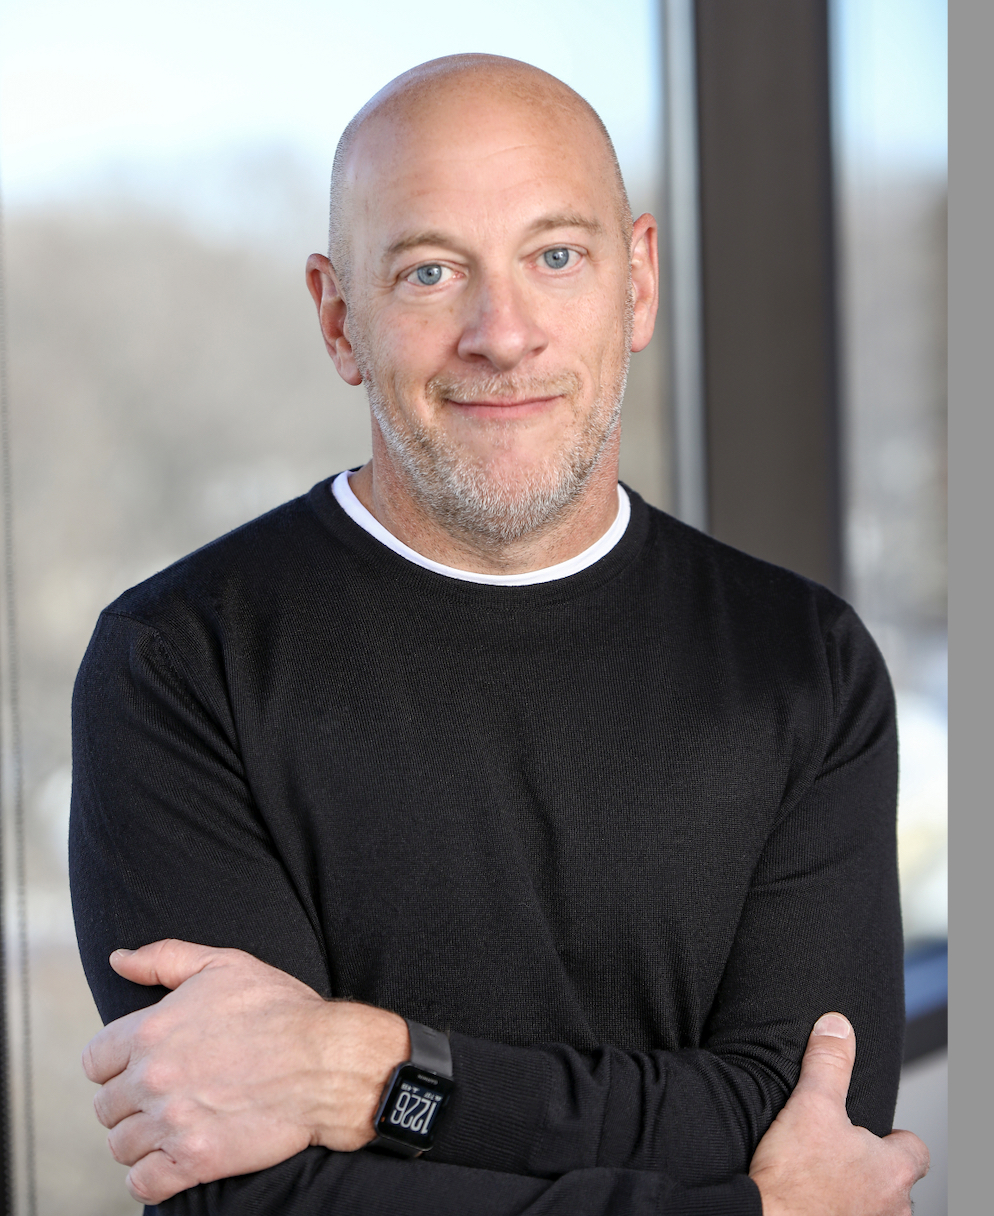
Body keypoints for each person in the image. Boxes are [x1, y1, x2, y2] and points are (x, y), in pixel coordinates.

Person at [70, 54, 928, 1215]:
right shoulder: (181, 664)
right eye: (429, 272)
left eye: (555, 256)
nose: (502, 334)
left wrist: (366, 1073)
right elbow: (254, 1197)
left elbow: (816, 1120)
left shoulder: (800, 661)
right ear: (338, 317)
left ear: (637, 284)